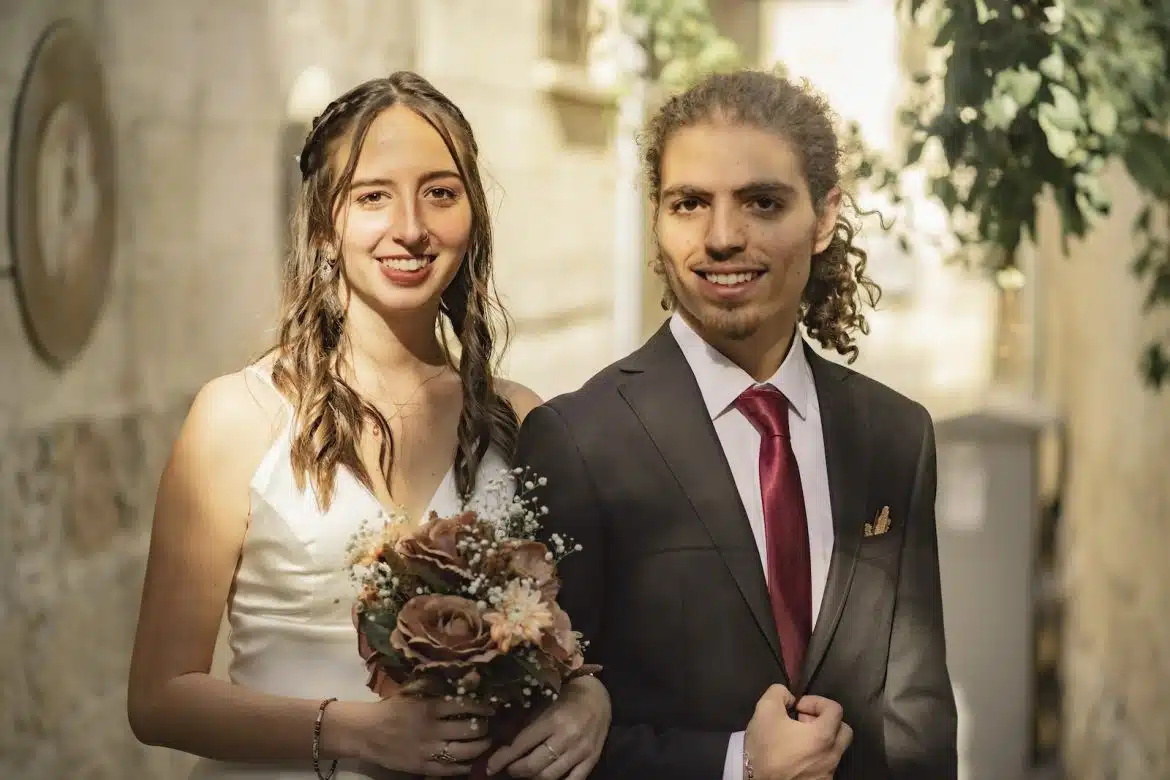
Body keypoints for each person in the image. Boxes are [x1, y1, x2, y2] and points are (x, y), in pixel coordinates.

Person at [127, 71, 610, 780]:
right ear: (326, 224)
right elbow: (159, 700)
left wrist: (590, 696)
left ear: (471, 217)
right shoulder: (239, 415)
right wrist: (352, 732)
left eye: (440, 194)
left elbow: (575, 635)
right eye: (373, 196)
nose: (410, 228)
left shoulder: (520, 418)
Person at [512, 70, 958, 780]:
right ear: (657, 219)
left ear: (824, 218)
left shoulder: (895, 437)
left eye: (762, 202)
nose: (723, 237)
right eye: (690, 203)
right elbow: (538, 744)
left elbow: (917, 719)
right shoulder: (577, 441)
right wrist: (737, 763)